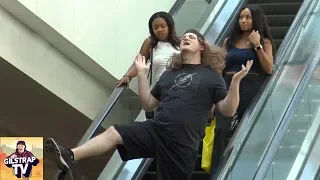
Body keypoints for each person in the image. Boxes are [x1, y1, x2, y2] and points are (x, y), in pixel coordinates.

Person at [44, 29, 252, 180]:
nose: (186, 39)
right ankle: (70, 155)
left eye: (192, 37)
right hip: (157, 129)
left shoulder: (211, 76)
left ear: (201, 46)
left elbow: (228, 110)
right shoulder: (169, 75)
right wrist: (142, 74)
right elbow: (149, 104)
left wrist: (234, 82)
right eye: (184, 38)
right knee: (114, 133)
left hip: (183, 142)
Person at [211, 4, 274, 173]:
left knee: (241, 128)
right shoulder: (229, 41)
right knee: (222, 129)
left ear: (256, 20)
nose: (243, 21)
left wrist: (257, 45)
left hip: (250, 87)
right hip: (227, 86)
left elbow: (269, 68)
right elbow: (219, 67)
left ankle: (240, 170)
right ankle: (219, 170)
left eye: (247, 17)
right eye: (240, 17)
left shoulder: (264, 41)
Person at [116, 11, 180, 119]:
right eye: (155, 27)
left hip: (182, 86)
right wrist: (128, 76)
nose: (159, 30)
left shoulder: (181, 43)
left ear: (169, 26)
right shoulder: (150, 43)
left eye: (162, 26)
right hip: (163, 90)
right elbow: (139, 63)